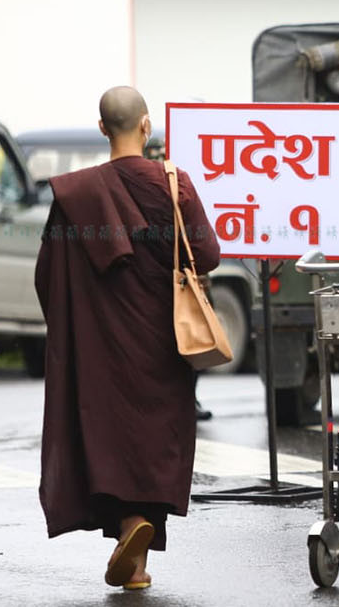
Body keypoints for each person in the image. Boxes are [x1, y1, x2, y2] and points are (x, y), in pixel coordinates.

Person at [35, 86, 219, 591]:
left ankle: (129, 540)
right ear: (147, 126)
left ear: (101, 130)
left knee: (111, 440)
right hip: (164, 339)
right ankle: (136, 550)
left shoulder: (78, 194)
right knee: (155, 440)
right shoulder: (173, 183)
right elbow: (208, 255)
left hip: (101, 346)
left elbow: (48, 273)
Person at [144, 135, 214, 422]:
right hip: (156, 279)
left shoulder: (180, 183)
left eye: (163, 152)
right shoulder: (141, 189)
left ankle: (190, 398)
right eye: (153, 152)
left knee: (195, 339)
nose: (159, 157)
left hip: (187, 276)